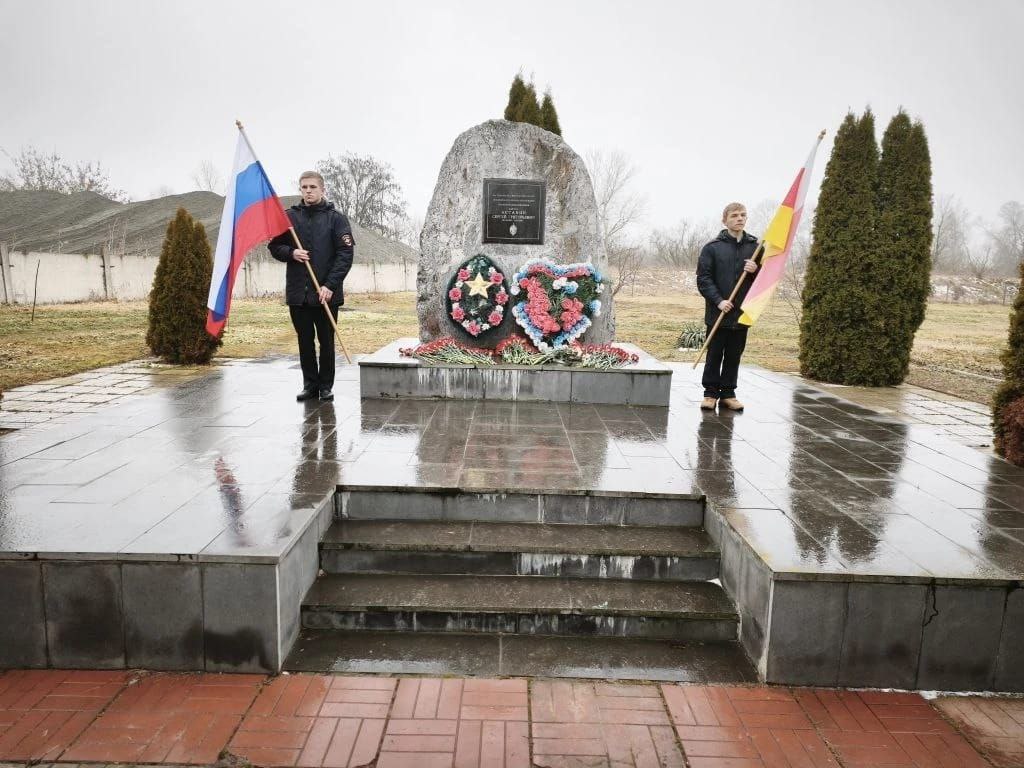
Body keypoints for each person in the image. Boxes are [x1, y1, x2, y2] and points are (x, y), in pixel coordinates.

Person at [269, 171, 354, 402]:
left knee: (326, 342)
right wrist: (291, 252)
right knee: (304, 341)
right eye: (304, 187)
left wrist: (330, 285)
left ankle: (326, 386)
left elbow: (345, 255)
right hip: (299, 294)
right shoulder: (289, 219)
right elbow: (274, 247)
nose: (308, 191)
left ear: (322, 190)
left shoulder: (336, 219)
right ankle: (310, 385)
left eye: (312, 187)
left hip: (326, 294)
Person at [695, 202, 759, 412]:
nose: (739, 219)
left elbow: (764, 281)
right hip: (719, 312)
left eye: (743, 215)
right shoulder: (712, 247)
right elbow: (704, 279)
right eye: (734, 215)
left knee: (734, 355)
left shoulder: (756, 248)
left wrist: (756, 270)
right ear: (725, 220)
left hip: (742, 313)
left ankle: (728, 394)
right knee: (714, 354)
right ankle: (711, 393)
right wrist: (719, 300)